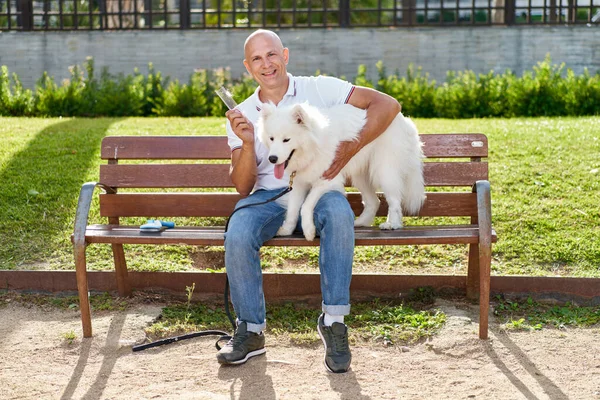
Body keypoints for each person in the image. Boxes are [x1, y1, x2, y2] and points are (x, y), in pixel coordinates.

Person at [217, 29, 401, 373]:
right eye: (256, 58)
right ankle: (251, 330)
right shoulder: (242, 113)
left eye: (271, 54)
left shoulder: (320, 89)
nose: (266, 64)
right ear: (247, 66)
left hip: (320, 189)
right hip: (268, 199)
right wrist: (245, 144)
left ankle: (334, 322)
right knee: (239, 231)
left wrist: (349, 148)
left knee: (340, 215)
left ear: (285, 55)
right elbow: (243, 188)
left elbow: (388, 105)